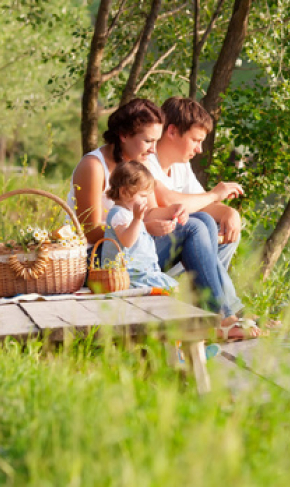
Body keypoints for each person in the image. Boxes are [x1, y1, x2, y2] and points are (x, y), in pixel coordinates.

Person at [69, 98, 261, 340]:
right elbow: (91, 231)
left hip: (132, 250)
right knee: (192, 227)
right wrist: (143, 227)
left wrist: (174, 213)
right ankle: (221, 317)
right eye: (148, 141)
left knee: (200, 219)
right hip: (99, 260)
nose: (152, 149)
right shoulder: (93, 166)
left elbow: (148, 212)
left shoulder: (139, 163)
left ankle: (215, 313)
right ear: (123, 135)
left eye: (155, 141)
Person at [145, 96, 245, 272]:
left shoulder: (181, 165)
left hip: (168, 247)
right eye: (195, 140)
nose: (199, 149)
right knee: (197, 224)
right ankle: (215, 294)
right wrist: (215, 194)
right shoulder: (145, 159)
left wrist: (229, 213)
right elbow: (168, 201)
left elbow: (202, 204)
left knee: (229, 230)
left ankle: (208, 291)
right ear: (172, 132)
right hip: (147, 249)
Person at [102, 160, 177, 291]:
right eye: (142, 196)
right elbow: (127, 241)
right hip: (128, 275)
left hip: (143, 271)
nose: (146, 201)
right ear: (124, 192)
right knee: (170, 289)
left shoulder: (129, 214)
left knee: (174, 288)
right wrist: (137, 219)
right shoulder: (119, 214)